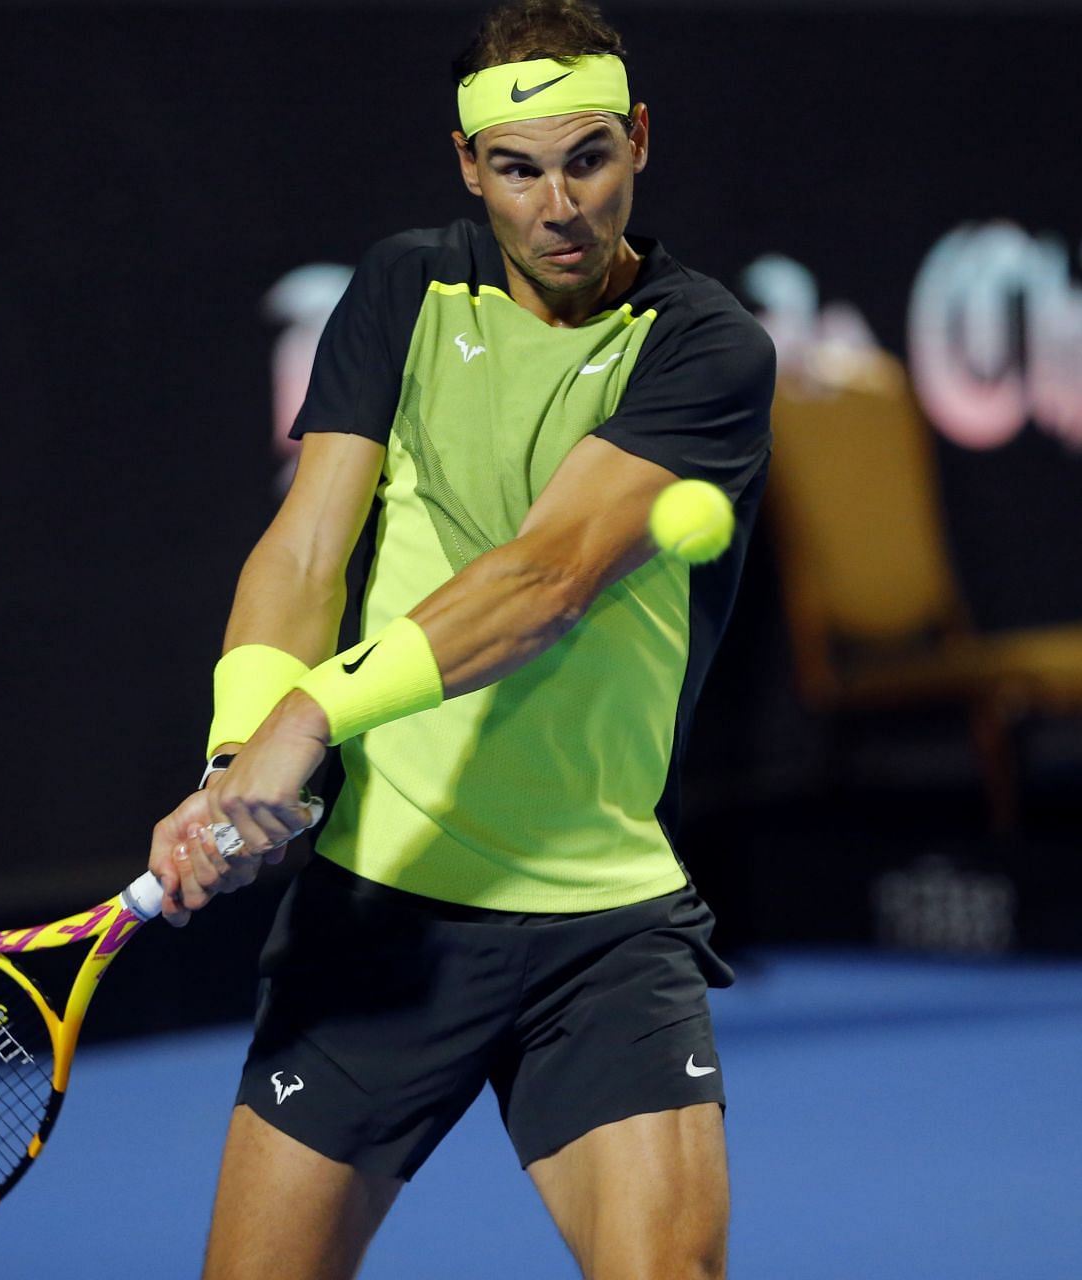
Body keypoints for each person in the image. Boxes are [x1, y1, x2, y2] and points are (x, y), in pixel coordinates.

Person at [145, 2, 775, 1274]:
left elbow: (544, 579)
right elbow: (307, 550)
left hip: (601, 925)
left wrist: (309, 717)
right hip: (381, 912)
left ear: (640, 141)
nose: (561, 206)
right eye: (519, 167)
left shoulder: (705, 347)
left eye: (589, 157)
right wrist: (233, 759)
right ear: (466, 165)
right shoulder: (403, 287)